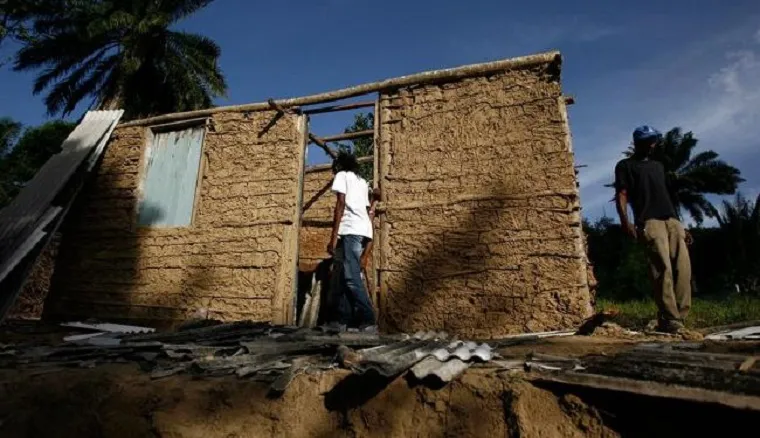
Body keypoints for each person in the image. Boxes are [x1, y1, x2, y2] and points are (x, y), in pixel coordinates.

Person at [614, 125, 693, 334]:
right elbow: (622, 194)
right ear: (637, 142)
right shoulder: (625, 165)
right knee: (662, 269)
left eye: (654, 140)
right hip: (650, 222)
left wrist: (681, 224)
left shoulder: (659, 166)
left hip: (672, 221)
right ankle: (670, 318)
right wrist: (625, 221)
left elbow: (667, 195)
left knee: (683, 269)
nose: (652, 144)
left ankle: (681, 318)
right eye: (648, 140)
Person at [325, 151, 377, 332]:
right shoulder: (362, 182)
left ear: (338, 166)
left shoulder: (341, 175)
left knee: (351, 277)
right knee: (342, 275)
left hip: (350, 230)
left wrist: (333, 237)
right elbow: (367, 207)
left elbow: (340, 204)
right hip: (362, 230)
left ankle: (369, 319)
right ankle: (342, 320)